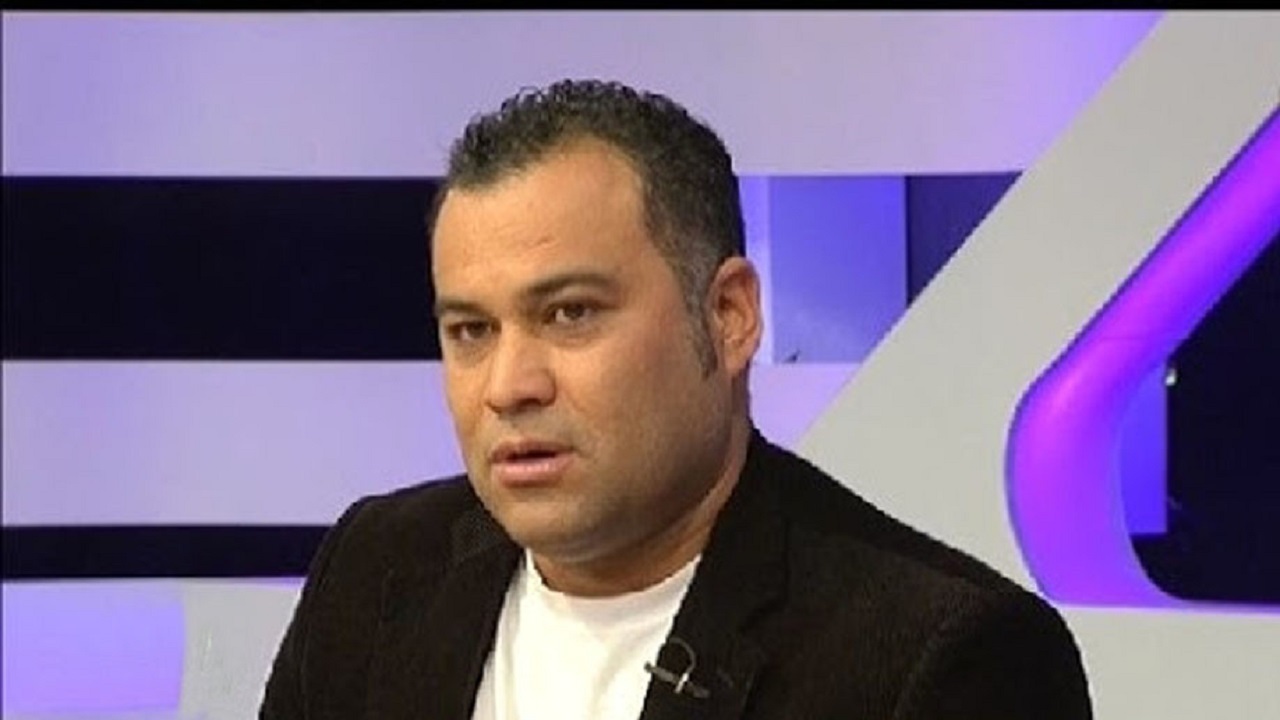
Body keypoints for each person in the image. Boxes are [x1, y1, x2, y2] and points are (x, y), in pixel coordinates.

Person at [259, 78, 1093, 719]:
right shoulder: (375, 569)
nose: (510, 386)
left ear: (728, 317)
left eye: (570, 314)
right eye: (471, 330)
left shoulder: (940, 657)